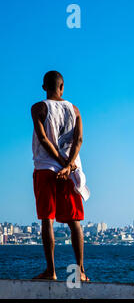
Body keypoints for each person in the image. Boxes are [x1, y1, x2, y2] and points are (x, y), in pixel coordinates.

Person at [31, 70, 89, 281]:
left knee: (47, 219)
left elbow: (44, 139)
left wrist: (60, 163)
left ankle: (51, 271)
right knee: (74, 221)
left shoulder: (38, 108)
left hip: (46, 167)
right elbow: (79, 139)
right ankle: (80, 272)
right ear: (62, 87)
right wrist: (69, 164)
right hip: (70, 170)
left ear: (44, 86)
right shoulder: (74, 109)